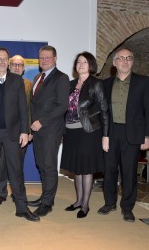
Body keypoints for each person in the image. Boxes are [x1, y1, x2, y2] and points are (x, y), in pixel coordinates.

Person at [0, 48, 38, 222]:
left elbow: (23, 108)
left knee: (16, 172)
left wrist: (25, 131)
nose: (3, 62)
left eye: (5, 59)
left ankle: (21, 207)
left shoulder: (17, 81)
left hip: (13, 133)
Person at [97, 47, 149, 222]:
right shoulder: (106, 84)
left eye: (129, 58)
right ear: (114, 63)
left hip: (133, 134)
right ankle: (109, 203)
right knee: (109, 170)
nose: (125, 61)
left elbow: (148, 110)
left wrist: (147, 136)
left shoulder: (143, 82)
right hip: (111, 132)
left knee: (129, 172)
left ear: (132, 61)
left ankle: (127, 207)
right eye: (121, 58)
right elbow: (103, 112)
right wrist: (103, 134)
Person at [60, 52, 109, 218]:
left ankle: (85, 205)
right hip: (71, 133)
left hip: (88, 132)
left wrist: (106, 135)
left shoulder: (96, 84)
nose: (81, 64)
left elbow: (104, 110)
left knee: (86, 169)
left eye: (85, 62)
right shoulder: (70, 84)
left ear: (91, 65)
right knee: (77, 169)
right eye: (78, 62)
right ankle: (78, 201)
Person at [29, 45, 70, 217]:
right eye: (41, 57)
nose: (44, 60)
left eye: (47, 57)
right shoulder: (38, 77)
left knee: (49, 165)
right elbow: (34, 104)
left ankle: (47, 203)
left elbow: (62, 105)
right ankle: (46, 196)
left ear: (55, 59)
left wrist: (42, 121)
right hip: (37, 129)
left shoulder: (62, 78)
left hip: (51, 129)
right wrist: (31, 126)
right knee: (41, 164)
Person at [0, 55, 33, 202]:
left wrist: (28, 131)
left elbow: (30, 109)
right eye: (14, 65)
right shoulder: (0, 83)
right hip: (2, 132)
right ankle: (0, 192)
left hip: (21, 133)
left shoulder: (28, 85)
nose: (17, 67)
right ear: (9, 66)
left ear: (24, 68)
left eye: (20, 65)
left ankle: (17, 194)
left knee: (17, 166)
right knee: (0, 164)